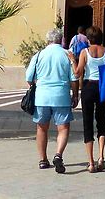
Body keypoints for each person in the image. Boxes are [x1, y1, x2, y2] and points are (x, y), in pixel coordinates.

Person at [25, 29, 78, 174]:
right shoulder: (67, 55)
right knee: (63, 128)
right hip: (61, 96)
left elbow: (29, 77)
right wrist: (75, 95)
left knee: (41, 128)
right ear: (61, 40)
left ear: (47, 40)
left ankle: (43, 160)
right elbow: (74, 78)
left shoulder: (39, 55)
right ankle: (58, 154)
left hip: (42, 97)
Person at [75, 25, 105, 173]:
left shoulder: (85, 52)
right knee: (102, 122)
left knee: (87, 123)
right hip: (102, 87)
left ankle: (90, 162)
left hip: (89, 87)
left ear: (89, 39)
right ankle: (101, 157)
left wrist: (73, 60)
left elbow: (78, 73)